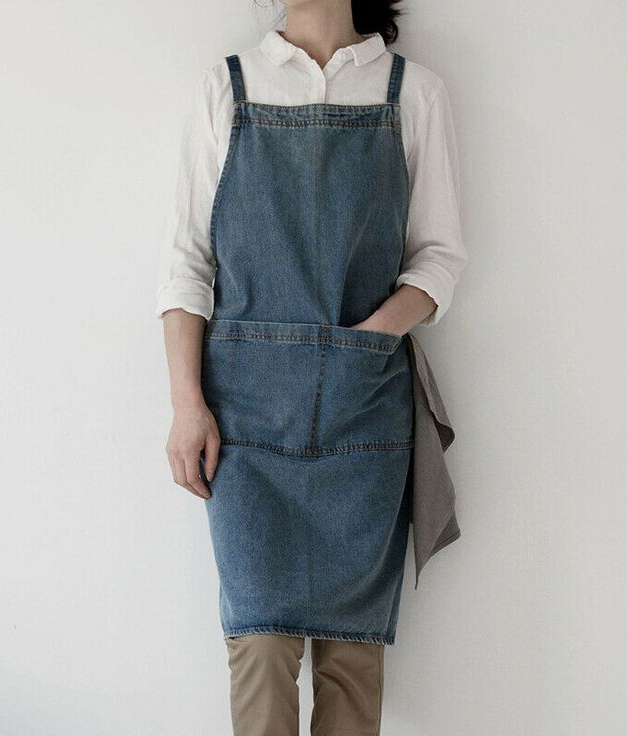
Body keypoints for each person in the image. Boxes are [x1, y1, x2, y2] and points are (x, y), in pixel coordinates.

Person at [156, 1, 467, 733]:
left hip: (363, 409)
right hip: (244, 419)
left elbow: (440, 258)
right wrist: (185, 404)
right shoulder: (227, 86)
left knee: (351, 660)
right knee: (258, 649)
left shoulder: (410, 92)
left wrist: (367, 339)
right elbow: (186, 268)